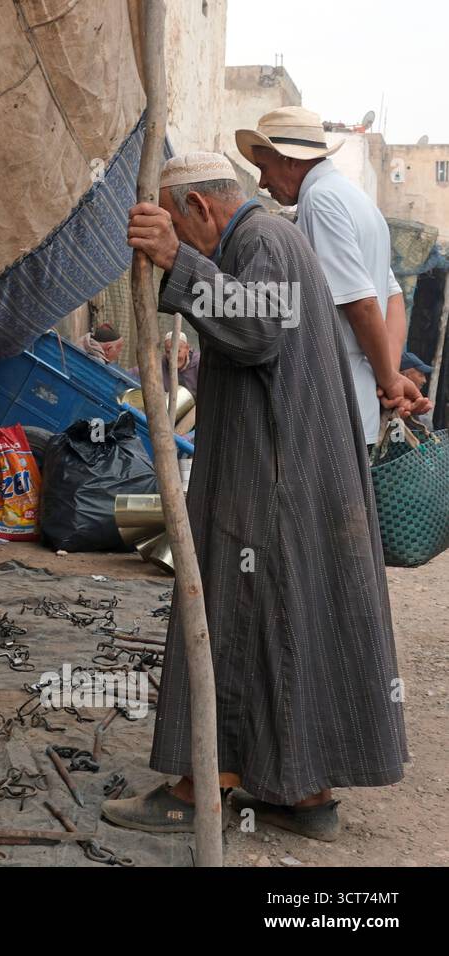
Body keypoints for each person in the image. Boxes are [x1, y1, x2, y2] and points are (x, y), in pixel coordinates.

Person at [108, 152, 406, 842]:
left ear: (200, 210)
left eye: (177, 220)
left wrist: (179, 263)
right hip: (290, 463)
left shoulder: (262, 239)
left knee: (235, 610)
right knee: (290, 617)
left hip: (272, 472)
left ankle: (198, 786)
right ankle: (304, 794)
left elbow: (257, 328)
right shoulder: (266, 239)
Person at [237, 107, 430, 444]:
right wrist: (389, 374)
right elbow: (392, 295)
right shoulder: (355, 198)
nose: (263, 182)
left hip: (333, 405)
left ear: (291, 161)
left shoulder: (320, 200)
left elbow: (363, 303)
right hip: (354, 402)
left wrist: (387, 377)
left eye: (264, 168)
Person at [127, 329, 200, 393]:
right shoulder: (159, 365)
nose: (173, 357)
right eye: (168, 352)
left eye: (178, 351)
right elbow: (132, 374)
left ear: (187, 349)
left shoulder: (199, 363)